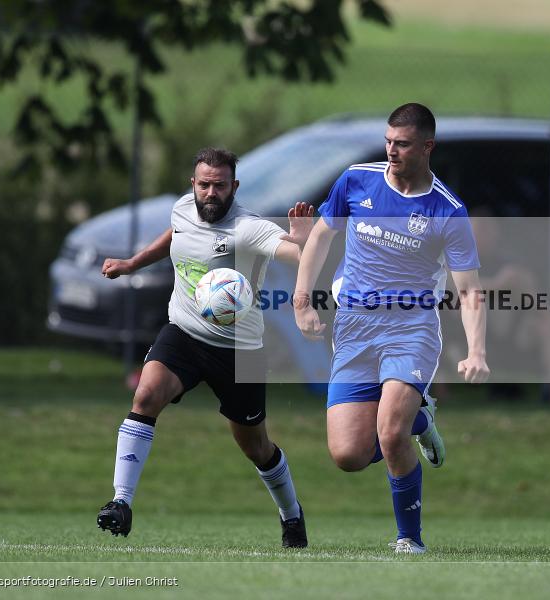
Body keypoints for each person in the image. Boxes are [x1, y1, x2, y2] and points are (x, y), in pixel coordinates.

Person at [293, 103, 490, 554]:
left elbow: (471, 290)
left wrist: (476, 351)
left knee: (389, 433)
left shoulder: (447, 210)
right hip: (354, 329)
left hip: (411, 330)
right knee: (348, 456)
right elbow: (321, 236)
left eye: (402, 144)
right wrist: (303, 302)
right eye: (388, 142)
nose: (391, 151)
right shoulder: (356, 180)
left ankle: (410, 539)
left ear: (427, 146)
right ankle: (422, 417)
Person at [96, 147, 314, 548]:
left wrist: (303, 243)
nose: (210, 193)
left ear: (234, 186)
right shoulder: (183, 208)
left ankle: (292, 515)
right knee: (145, 394)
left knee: (256, 447)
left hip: (239, 351)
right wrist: (133, 263)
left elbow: (295, 254)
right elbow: (176, 236)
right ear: (192, 184)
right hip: (183, 332)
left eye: (219, 185)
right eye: (204, 185)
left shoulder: (249, 227)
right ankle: (120, 502)